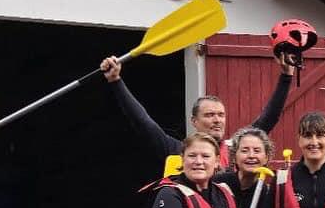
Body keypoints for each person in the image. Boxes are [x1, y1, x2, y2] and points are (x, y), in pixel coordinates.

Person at [101, 52, 294, 170]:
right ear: (194, 121)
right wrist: (116, 81)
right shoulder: (178, 150)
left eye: (221, 115)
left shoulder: (237, 148)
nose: (217, 120)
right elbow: (144, 123)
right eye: (209, 115)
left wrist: (286, 76)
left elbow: (268, 118)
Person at [215, 127, 276, 208]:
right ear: (234, 157)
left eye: (257, 151)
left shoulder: (268, 195)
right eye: (244, 150)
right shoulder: (217, 184)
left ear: (266, 158)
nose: (251, 155)